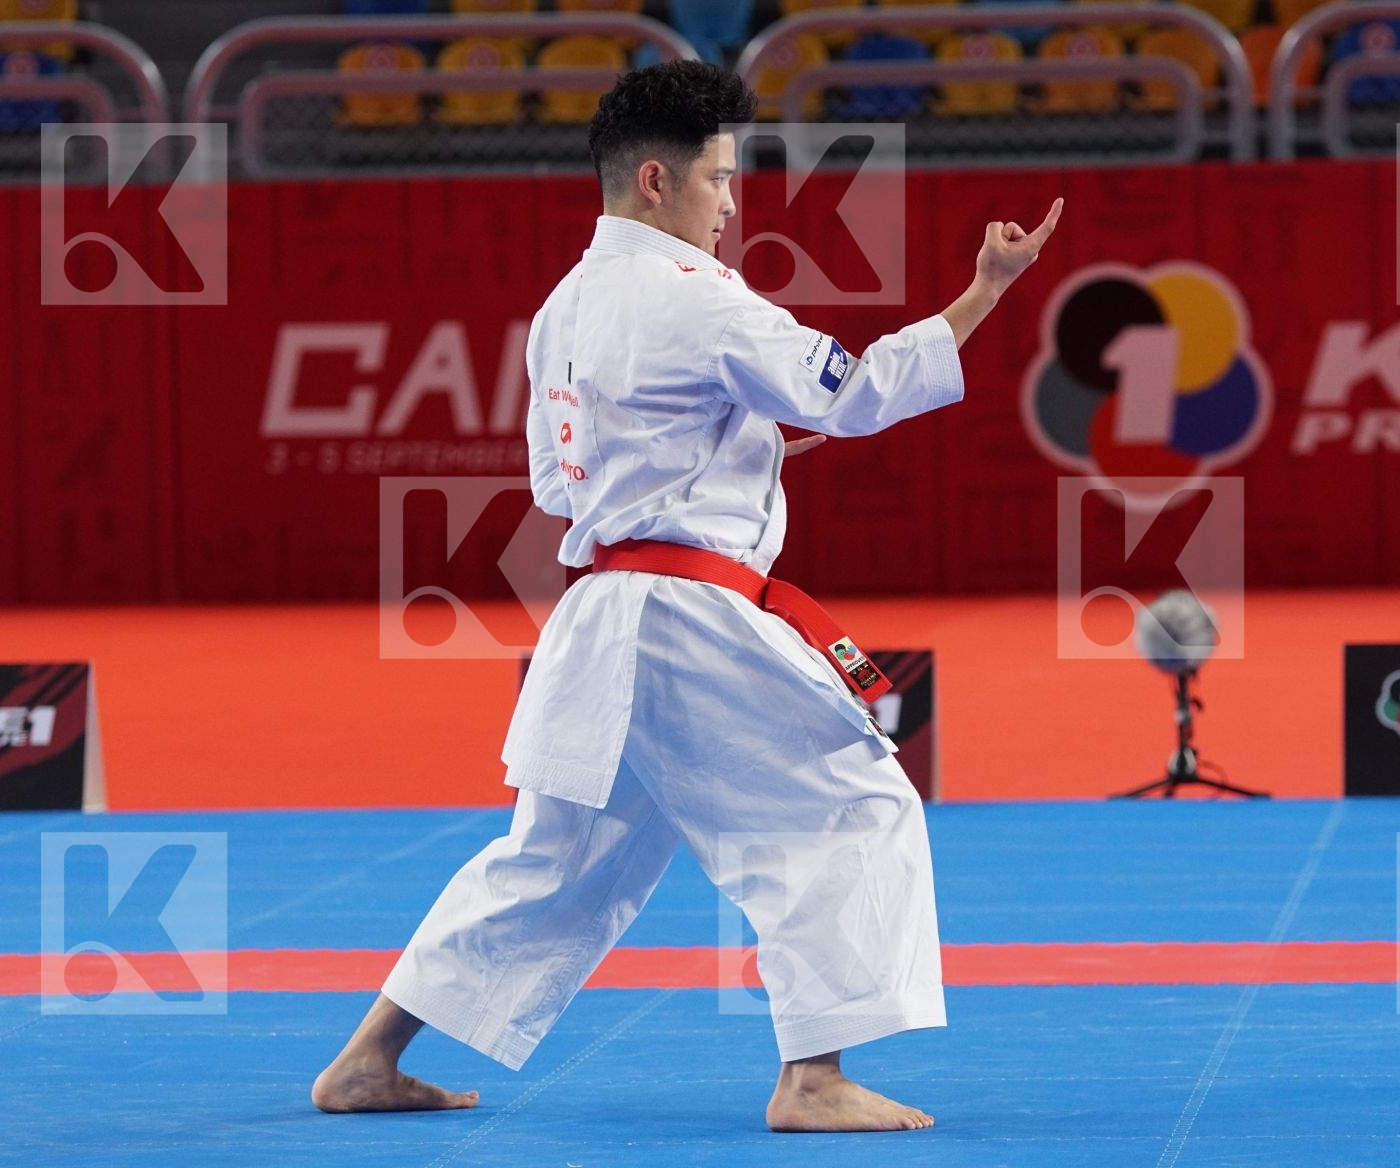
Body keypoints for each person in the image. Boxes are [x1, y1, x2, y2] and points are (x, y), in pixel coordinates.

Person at [313, 60, 1063, 1133]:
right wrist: (985, 289)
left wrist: (712, 444)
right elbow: (851, 397)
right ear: (657, 180)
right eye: (721, 180)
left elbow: (551, 484)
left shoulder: (562, 307)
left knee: (558, 862)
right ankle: (813, 1079)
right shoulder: (695, 298)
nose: (732, 205)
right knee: (853, 802)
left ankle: (367, 1060)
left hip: (603, 613)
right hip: (685, 615)